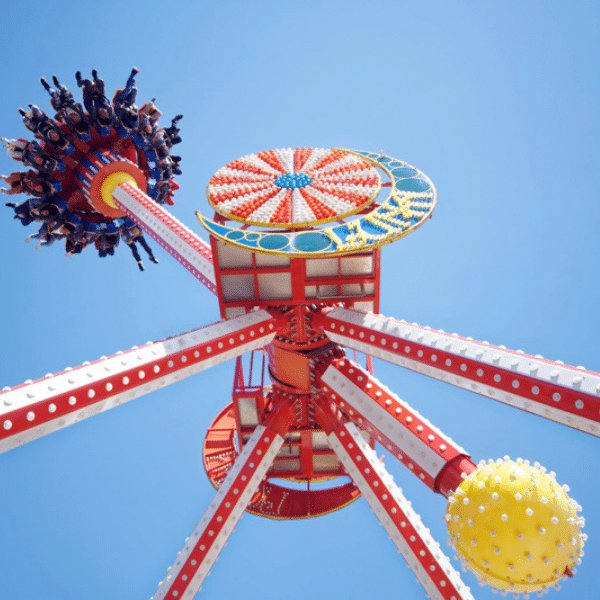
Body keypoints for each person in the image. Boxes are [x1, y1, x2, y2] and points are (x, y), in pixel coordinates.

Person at [76, 69, 113, 135]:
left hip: (89, 97)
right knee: (100, 81)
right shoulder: (108, 107)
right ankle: (96, 78)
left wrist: (91, 92)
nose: (104, 112)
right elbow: (104, 98)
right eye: (106, 114)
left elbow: (86, 100)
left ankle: (79, 81)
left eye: (103, 115)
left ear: (100, 116)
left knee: (88, 82)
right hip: (99, 95)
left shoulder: (93, 110)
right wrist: (97, 91)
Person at [113, 68, 140, 138]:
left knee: (128, 89)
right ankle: (132, 83)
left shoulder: (119, 119)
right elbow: (135, 115)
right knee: (135, 90)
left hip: (120, 103)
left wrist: (123, 108)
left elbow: (118, 107)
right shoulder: (134, 124)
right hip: (128, 104)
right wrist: (132, 109)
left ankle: (132, 74)